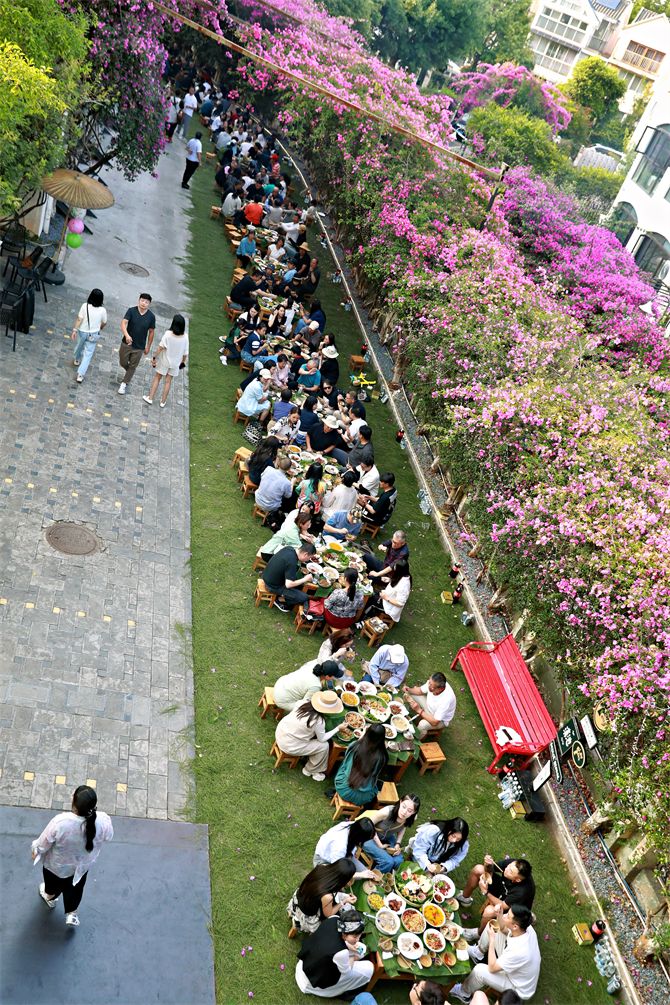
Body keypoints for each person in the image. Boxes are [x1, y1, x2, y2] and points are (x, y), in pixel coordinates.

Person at [31, 784, 113, 928]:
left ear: (74, 803)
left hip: (56, 866)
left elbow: (44, 842)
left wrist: (36, 850)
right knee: (75, 889)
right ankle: (72, 913)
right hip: (81, 868)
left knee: (51, 885)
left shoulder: (61, 822)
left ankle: (50, 897)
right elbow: (109, 836)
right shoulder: (103, 820)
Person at [450, 905, 541, 1003]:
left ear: (515, 926)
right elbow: (503, 929)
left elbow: (492, 968)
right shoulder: (524, 926)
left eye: (508, 916)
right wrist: (499, 915)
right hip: (516, 966)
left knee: (479, 971)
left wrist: (492, 940)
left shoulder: (519, 951)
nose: (505, 916)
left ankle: (464, 993)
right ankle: (478, 953)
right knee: (493, 925)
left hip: (517, 987)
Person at [295, 910, 373, 998]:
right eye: (355, 936)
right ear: (345, 933)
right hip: (313, 978)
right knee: (369, 967)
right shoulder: (341, 953)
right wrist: (353, 957)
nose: (358, 939)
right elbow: (347, 971)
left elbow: (328, 939)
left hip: (308, 962)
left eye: (359, 935)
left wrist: (349, 947)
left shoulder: (334, 919)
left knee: (360, 947)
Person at [275, 690, 344, 781]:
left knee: (314, 736)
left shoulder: (303, 703)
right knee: (324, 746)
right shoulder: (318, 720)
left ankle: (311, 765)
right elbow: (322, 739)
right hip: (289, 745)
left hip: (281, 731)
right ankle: (310, 770)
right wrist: (338, 728)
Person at [458, 857, 535, 934]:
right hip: (503, 888)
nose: (506, 869)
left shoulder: (521, 892)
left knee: (489, 911)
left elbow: (503, 906)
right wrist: (488, 865)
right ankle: (465, 898)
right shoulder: (513, 864)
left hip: (511, 906)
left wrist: (486, 892)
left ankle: (479, 933)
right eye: (509, 866)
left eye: (510, 872)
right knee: (478, 869)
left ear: (518, 879)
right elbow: (491, 870)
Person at [287, 858, 358, 934]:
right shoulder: (327, 896)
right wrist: (344, 901)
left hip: (300, 897)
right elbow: (328, 914)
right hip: (306, 915)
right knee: (338, 920)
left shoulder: (322, 866)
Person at [358, 794, 421, 873]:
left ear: (414, 812)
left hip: (386, 836)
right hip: (367, 836)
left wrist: (398, 843)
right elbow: (368, 825)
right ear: (400, 802)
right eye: (403, 806)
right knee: (388, 862)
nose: (404, 812)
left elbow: (403, 827)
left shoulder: (412, 818)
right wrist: (380, 845)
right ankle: (372, 878)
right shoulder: (386, 812)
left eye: (409, 811)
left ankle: (390, 876)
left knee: (398, 861)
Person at [335, 722, 388, 807]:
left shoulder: (355, 746)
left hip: (342, 787)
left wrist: (360, 739)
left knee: (344, 766)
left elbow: (346, 758)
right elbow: (376, 774)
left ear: (367, 733)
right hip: (363, 798)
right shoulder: (382, 757)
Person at [143, 313, 188, 407]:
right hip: (175, 363)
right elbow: (185, 353)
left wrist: (154, 357)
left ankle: (150, 398)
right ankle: (163, 402)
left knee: (157, 378)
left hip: (164, 361)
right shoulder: (185, 337)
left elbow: (160, 348)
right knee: (168, 381)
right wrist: (183, 362)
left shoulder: (168, 334)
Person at [118, 293, 156, 395]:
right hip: (126, 343)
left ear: (149, 304)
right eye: (142, 300)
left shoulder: (151, 317)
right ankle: (130, 372)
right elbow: (123, 323)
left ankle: (124, 383)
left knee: (133, 366)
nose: (144, 303)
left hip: (139, 347)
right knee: (122, 362)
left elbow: (151, 332)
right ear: (139, 300)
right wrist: (127, 335)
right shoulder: (131, 311)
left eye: (146, 302)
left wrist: (148, 347)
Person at [274, 658, 344, 713]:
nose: (333, 678)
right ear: (327, 676)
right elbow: (304, 704)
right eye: (333, 676)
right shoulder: (316, 686)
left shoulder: (313, 667)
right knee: (308, 709)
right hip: (282, 699)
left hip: (280, 684)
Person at [262, 542, 316, 612]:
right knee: (304, 597)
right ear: (305, 554)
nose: (308, 560)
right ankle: (279, 600)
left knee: (297, 580)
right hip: (272, 586)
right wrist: (305, 579)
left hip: (267, 575)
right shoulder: (292, 562)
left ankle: (284, 596)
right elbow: (288, 585)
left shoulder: (289, 548)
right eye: (309, 557)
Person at [71, 288, 107, 383]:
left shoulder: (85, 306)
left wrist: (74, 330)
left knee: (79, 346)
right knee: (88, 354)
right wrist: (99, 327)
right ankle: (80, 375)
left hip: (82, 331)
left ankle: (77, 359)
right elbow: (104, 322)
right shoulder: (102, 310)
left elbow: (79, 319)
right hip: (93, 334)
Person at [365, 560, 412, 624]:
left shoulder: (404, 585)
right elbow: (397, 584)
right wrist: (390, 580)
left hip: (389, 606)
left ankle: (364, 618)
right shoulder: (403, 575)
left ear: (400, 570)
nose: (393, 568)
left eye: (395, 567)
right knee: (371, 591)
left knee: (370, 599)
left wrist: (386, 598)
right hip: (385, 596)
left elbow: (400, 603)